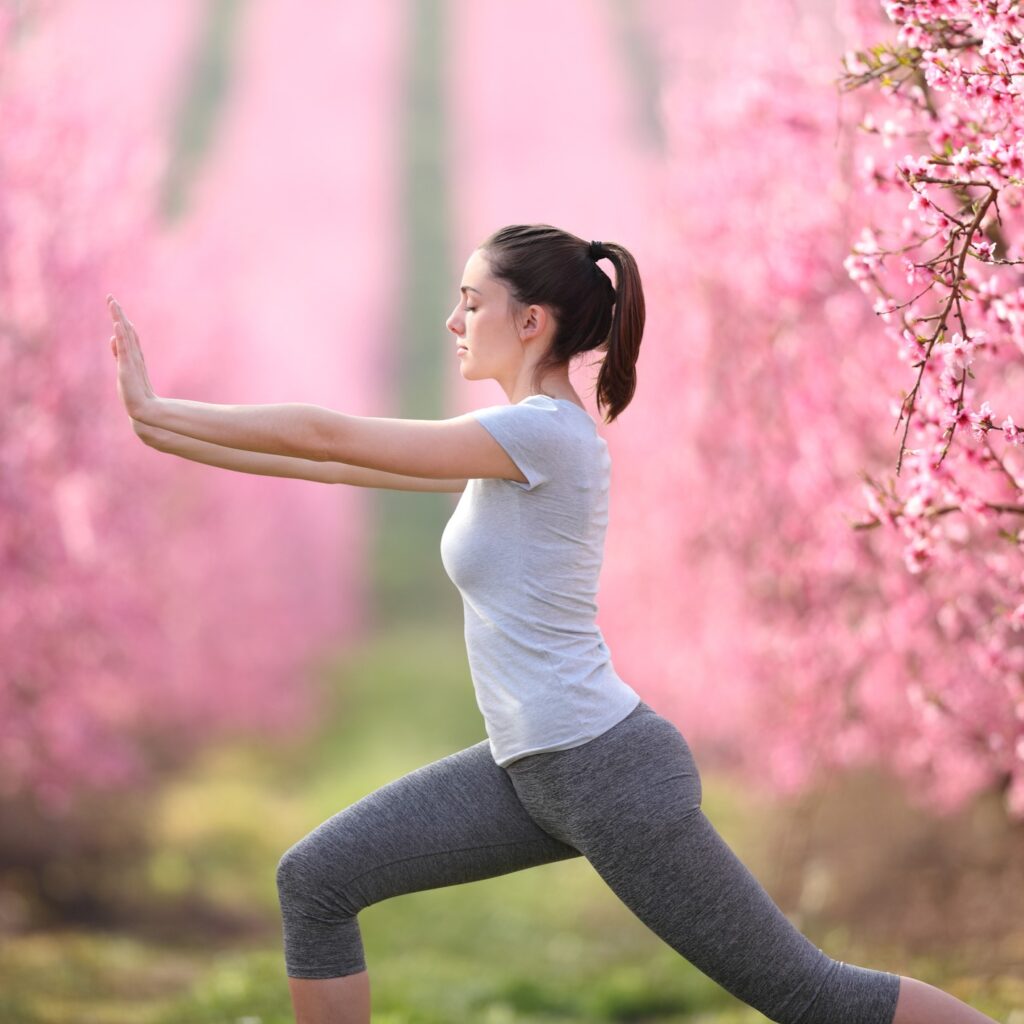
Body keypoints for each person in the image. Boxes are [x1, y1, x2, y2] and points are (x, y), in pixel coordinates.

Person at [107, 224, 1002, 1024]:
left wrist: (163, 408)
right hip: (531, 769)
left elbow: (330, 436)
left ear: (530, 321)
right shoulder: (510, 444)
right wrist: (160, 431)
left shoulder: (542, 438)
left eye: (471, 302)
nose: (454, 322)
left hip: (606, 772)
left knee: (812, 998)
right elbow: (334, 470)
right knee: (317, 879)